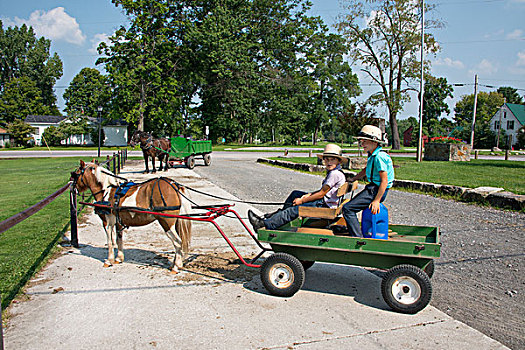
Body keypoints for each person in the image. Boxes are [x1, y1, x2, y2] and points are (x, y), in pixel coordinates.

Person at [248, 144, 347, 231]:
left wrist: (302, 201)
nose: (329, 162)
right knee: (295, 194)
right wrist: (308, 195)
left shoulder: (334, 174)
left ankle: (264, 224)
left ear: (338, 161)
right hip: (327, 202)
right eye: (327, 159)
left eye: (332, 159)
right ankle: (277, 218)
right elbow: (324, 191)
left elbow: (322, 193)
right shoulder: (336, 172)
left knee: (294, 210)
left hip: (325, 206)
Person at [342, 125, 394, 237]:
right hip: (372, 188)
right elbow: (367, 169)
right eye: (361, 141)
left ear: (375, 142)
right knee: (351, 206)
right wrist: (355, 178)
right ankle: (365, 231)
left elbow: (384, 181)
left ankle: (357, 238)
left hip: (376, 191)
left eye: (365, 141)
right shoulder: (372, 155)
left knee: (347, 209)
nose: (362, 144)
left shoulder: (379, 157)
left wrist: (376, 200)